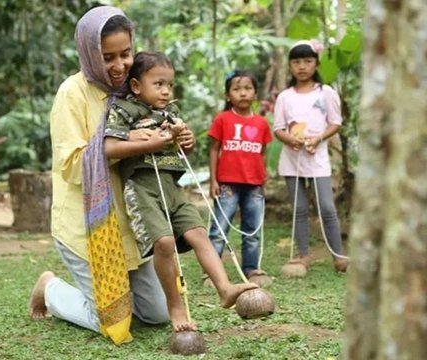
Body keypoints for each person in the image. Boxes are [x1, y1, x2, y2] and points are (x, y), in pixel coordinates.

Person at [28, 6, 183, 345]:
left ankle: (118, 294)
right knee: (111, 324)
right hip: (86, 227)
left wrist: (177, 136)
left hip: (129, 223)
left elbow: (158, 133)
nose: (118, 65)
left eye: (125, 54)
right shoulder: (72, 93)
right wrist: (128, 143)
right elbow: (70, 164)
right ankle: (50, 287)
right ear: (88, 52)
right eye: (107, 56)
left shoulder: (134, 89)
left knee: (157, 314)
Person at [103, 51, 258, 332]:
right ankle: (175, 308)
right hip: (142, 187)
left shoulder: (172, 113)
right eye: (158, 84)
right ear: (137, 86)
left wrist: (187, 141)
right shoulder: (123, 110)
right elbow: (110, 147)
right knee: (164, 243)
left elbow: (185, 149)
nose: (165, 91)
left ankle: (225, 288)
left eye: (169, 85)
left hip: (172, 186)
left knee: (199, 233)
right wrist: (149, 143)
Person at [273, 39, 348, 273]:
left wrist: (318, 139)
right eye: (296, 62)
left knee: (327, 207)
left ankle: (338, 255)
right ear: (290, 66)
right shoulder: (285, 96)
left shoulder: (326, 93)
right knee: (299, 209)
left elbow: (336, 123)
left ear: (316, 63)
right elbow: (278, 128)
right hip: (292, 160)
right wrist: (290, 140)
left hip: (318, 159)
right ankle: (304, 255)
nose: (302, 66)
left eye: (307, 61)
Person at [205, 70, 273, 287]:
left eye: (247, 88)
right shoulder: (222, 119)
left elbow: (262, 152)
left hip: (254, 184)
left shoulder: (261, 123)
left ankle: (251, 269)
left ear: (255, 94)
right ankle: (211, 272)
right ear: (228, 95)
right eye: (236, 89)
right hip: (227, 183)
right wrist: (213, 180)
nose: (242, 93)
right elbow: (214, 150)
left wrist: (263, 177)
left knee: (252, 228)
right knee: (219, 229)